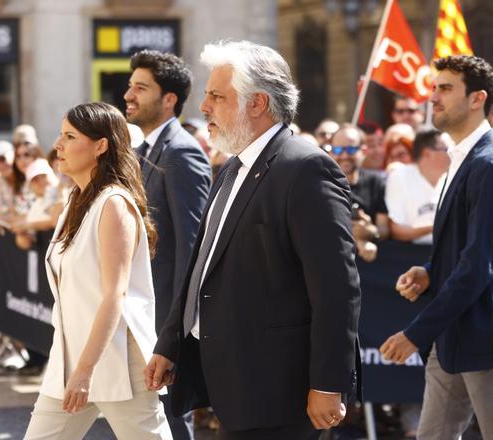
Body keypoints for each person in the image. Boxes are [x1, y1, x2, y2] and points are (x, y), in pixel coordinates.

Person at [145, 40, 361, 439]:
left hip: (279, 390)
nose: (204, 106)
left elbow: (336, 288)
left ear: (257, 103)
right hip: (236, 384)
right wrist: (170, 342)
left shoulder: (306, 168)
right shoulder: (232, 167)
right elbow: (202, 264)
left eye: (216, 96)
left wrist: (328, 383)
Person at [380, 55, 493, 440]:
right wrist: (430, 270)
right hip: (453, 330)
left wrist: (416, 332)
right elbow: (466, 248)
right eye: (434, 88)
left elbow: (480, 262)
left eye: (445, 88)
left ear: (477, 99)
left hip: (489, 334)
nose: (433, 98)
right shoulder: (463, 158)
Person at [24, 102, 172, 440]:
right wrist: (76, 368)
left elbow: (113, 295)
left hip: (119, 360)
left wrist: (85, 371)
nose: (57, 145)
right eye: (60, 135)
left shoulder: (113, 204)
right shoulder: (75, 202)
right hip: (69, 358)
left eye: (69, 136)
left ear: (100, 145)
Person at [124, 49, 211, 440]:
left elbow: (193, 248)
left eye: (140, 88)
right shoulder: (142, 150)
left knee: (170, 419)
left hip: (165, 318)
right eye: (130, 86)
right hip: (142, 309)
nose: (129, 95)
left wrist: (175, 332)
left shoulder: (182, 153)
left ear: (169, 99)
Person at [328, 124, 389, 262]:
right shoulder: (321, 184)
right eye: (338, 150)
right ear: (331, 152)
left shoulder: (376, 181)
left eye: (350, 149)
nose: (344, 155)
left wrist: (371, 232)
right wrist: (358, 239)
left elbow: (384, 229)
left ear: (364, 150)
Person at [386, 128, 450, 244]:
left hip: (446, 255)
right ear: (427, 153)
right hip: (412, 255)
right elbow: (397, 231)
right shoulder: (399, 176)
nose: (451, 153)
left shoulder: (451, 178)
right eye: (446, 149)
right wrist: (437, 226)